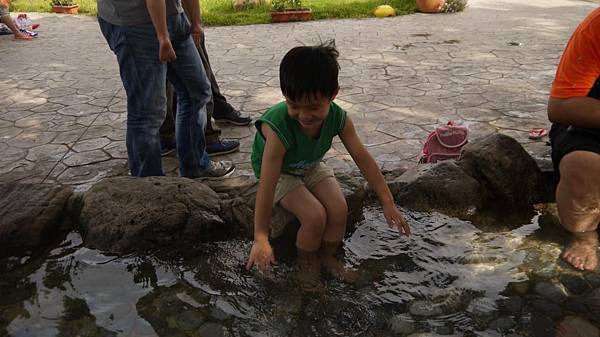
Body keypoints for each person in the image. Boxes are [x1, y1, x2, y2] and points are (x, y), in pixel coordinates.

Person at [245, 42, 411, 290]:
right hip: (281, 172)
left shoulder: (339, 118)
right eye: (293, 105)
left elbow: (362, 158)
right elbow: (267, 185)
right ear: (285, 97)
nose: (303, 116)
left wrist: (387, 201)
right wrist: (260, 236)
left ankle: (328, 258)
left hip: (309, 165)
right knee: (314, 216)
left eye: (313, 107)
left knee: (339, 208)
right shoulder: (278, 128)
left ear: (333, 94)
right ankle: (307, 268)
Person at [97, 0, 233, 178]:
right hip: (134, 24)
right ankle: (150, 184)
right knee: (148, 111)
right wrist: (163, 36)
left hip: (173, 17)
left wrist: (195, 21)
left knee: (197, 92)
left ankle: (196, 166)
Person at [548, 7, 600, 271]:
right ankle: (584, 235)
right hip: (591, 123)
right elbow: (560, 107)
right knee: (583, 165)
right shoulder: (597, 26)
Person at [160, 31, 252, 157]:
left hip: (162, 24)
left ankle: (216, 110)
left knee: (184, 74)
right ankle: (204, 138)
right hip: (170, 25)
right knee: (195, 86)